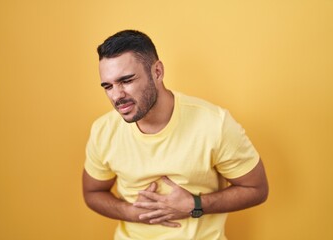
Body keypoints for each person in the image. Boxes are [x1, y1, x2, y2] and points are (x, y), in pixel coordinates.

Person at [82, 29, 269, 240]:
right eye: (108, 86)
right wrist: (131, 213)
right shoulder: (103, 130)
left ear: (158, 72)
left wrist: (195, 205)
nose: (117, 95)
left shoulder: (215, 123)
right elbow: (92, 192)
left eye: (126, 81)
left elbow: (257, 188)